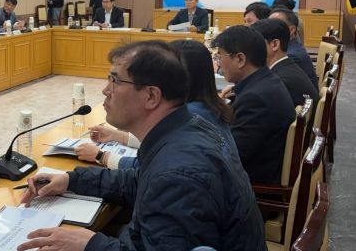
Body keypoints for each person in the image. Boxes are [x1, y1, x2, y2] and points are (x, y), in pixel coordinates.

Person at [18, 41, 267, 251]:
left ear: (151, 97)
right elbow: (138, 182)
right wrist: (71, 180)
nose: (105, 90)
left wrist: (90, 245)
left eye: (115, 81)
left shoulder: (179, 173)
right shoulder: (186, 128)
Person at [76, 39, 237, 169]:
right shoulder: (201, 110)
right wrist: (118, 136)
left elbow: (145, 169)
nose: (105, 90)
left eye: (116, 81)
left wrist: (101, 156)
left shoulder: (193, 117)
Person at [212, 25, 296, 184]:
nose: (219, 64)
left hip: (254, 185)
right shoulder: (266, 80)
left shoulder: (256, 99)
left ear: (240, 59)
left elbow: (231, 156)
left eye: (220, 56)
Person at [252, 19, 318, 107]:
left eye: (255, 43)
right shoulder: (288, 67)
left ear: (275, 44)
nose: (250, 49)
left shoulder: (279, 81)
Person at [269, 8, 318, 89]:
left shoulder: (292, 56)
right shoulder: (293, 47)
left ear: (291, 30)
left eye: (275, 25)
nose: (269, 29)